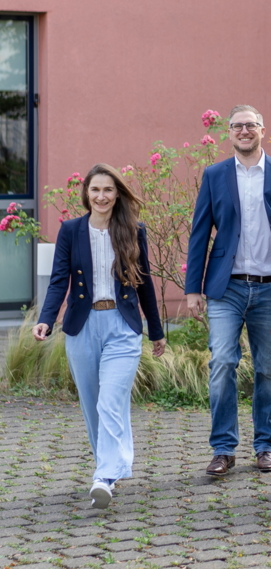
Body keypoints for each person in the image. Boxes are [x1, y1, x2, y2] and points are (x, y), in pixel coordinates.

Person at [33, 164, 166, 509]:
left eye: (108, 190)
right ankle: (109, 466)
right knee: (93, 404)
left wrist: (156, 330)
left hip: (122, 326)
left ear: (117, 193)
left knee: (110, 400)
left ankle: (104, 475)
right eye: (95, 190)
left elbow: (145, 282)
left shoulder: (133, 230)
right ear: (86, 194)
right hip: (82, 325)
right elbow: (59, 279)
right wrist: (46, 320)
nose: (102, 196)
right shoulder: (71, 230)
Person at [185, 104, 271, 476]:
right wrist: (193, 288)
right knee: (222, 363)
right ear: (230, 133)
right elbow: (200, 232)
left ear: (262, 130)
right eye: (237, 126)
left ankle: (265, 445)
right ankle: (223, 448)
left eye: (250, 125)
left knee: (269, 369)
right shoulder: (215, 174)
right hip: (226, 288)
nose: (243, 131)